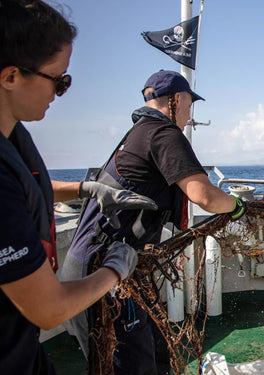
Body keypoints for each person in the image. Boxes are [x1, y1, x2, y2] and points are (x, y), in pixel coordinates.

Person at [0, 1, 157, 374]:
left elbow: (28, 186)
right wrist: (115, 271)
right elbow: (49, 308)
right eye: (59, 80)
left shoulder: (12, 137)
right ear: (10, 76)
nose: (60, 92)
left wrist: (86, 189)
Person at [61, 69, 247, 375]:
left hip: (109, 266)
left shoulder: (140, 132)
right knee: (130, 367)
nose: (189, 114)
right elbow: (204, 195)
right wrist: (238, 207)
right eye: (189, 102)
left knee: (155, 354)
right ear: (176, 99)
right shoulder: (163, 134)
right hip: (101, 271)